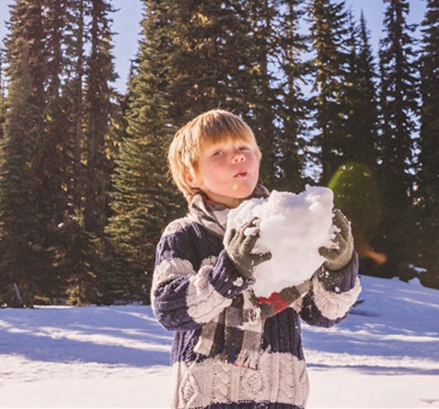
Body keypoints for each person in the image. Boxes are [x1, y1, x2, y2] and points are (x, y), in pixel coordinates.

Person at [152, 109, 360, 409]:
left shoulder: (284, 228)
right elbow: (169, 308)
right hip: (206, 397)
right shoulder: (185, 234)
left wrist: (338, 267)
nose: (237, 157)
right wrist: (229, 272)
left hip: (280, 396)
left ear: (257, 160)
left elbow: (323, 313)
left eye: (243, 149)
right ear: (191, 175)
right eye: (219, 152)